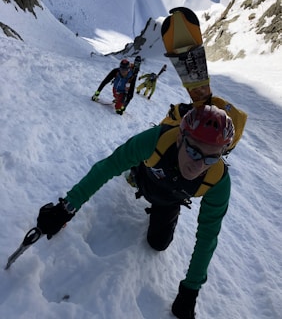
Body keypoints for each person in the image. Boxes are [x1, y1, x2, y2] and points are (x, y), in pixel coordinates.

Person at [36, 104, 235, 319]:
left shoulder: (218, 181)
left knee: (158, 243)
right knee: (136, 167)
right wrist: (66, 208)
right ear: (180, 138)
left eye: (211, 158)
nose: (199, 164)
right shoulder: (155, 140)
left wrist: (190, 290)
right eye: (193, 150)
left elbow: (208, 234)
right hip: (145, 176)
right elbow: (109, 166)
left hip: (169, 200)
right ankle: (135, 170)